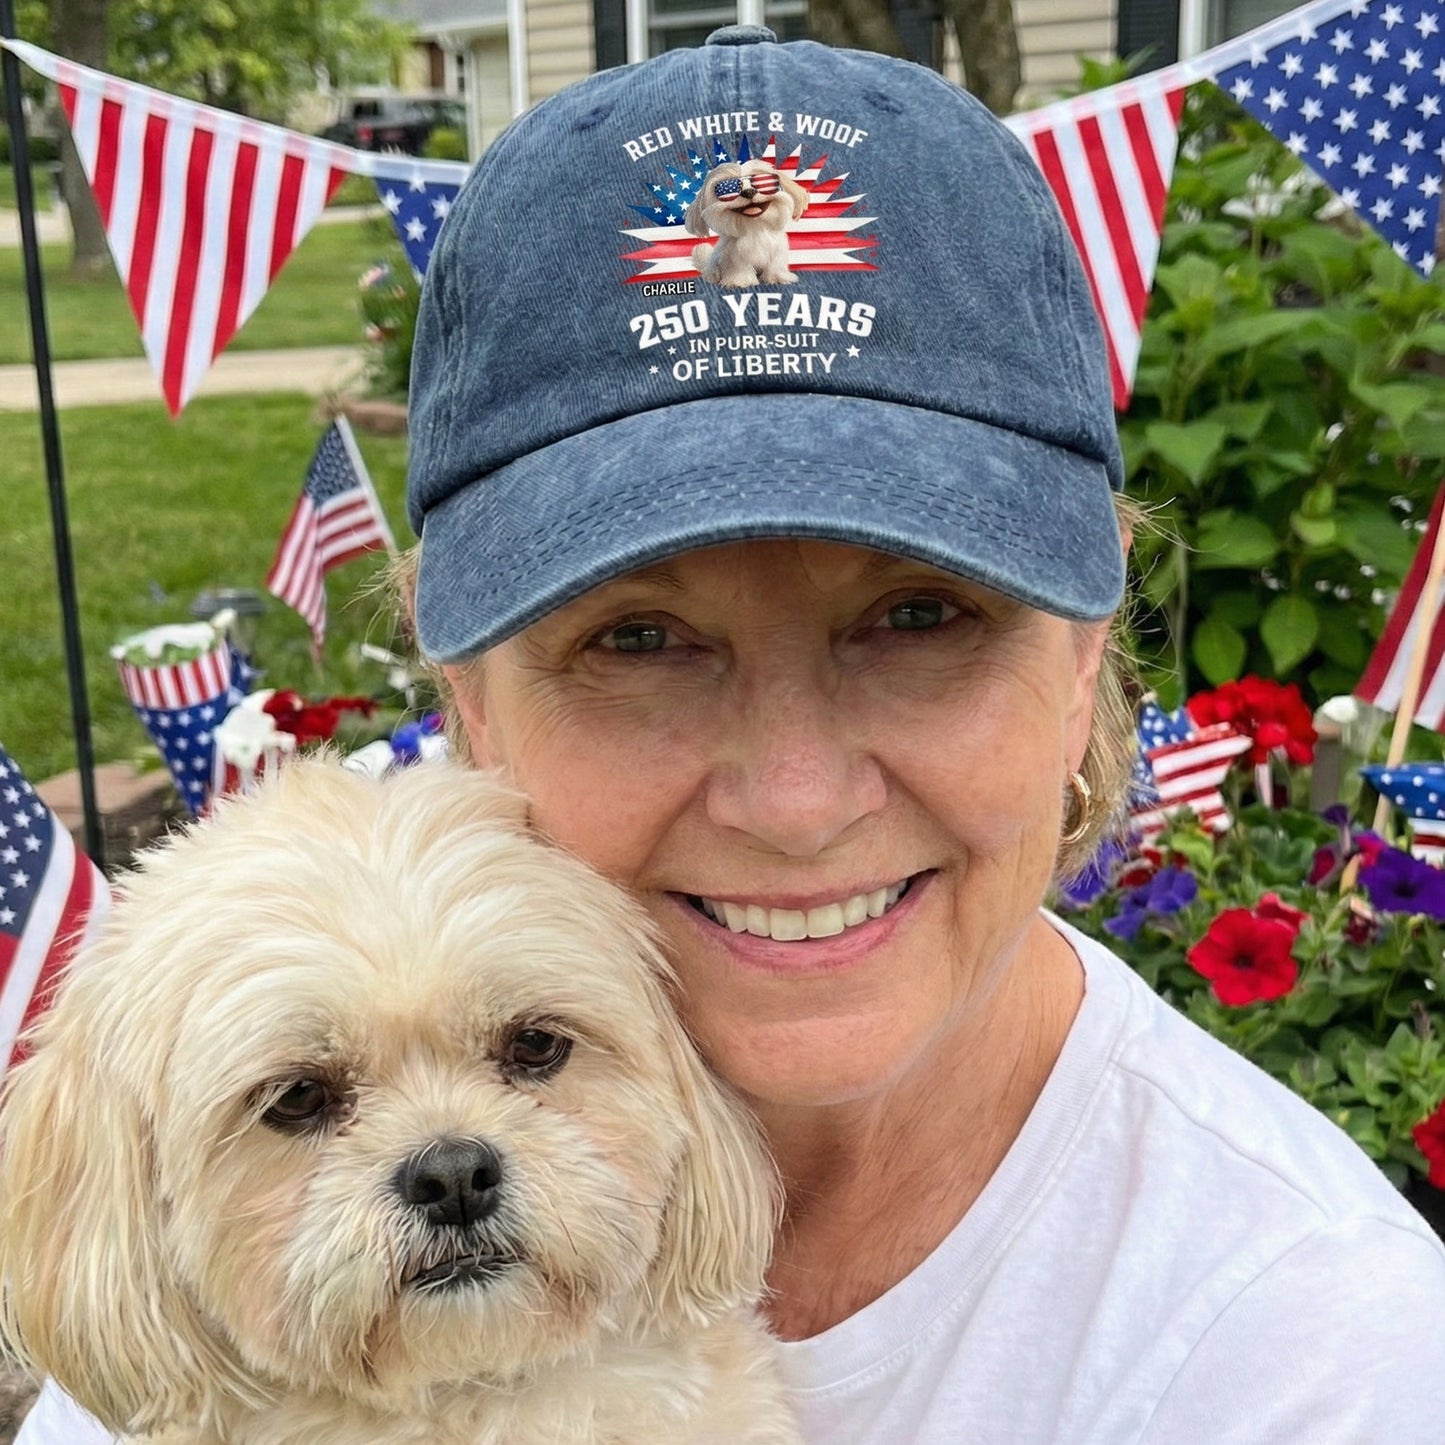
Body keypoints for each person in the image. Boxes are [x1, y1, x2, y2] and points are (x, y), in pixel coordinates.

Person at [18, 26, 1445, 1445]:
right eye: (635, 639)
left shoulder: (1301, 1352)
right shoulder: (191, 1271)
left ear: (1084, 659)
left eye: (920, 616)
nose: (795, 796)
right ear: (465, 702)